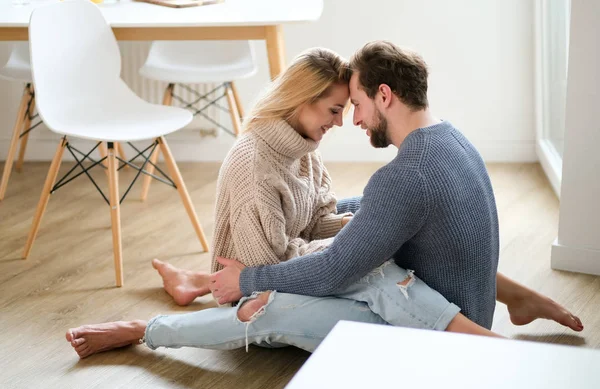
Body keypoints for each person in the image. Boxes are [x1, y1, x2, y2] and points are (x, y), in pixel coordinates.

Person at [66, 45, 582, 359]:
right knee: (372, 262)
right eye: (338, 109)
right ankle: (181, 299)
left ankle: (148, 327)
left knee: (315, 293)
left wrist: (247, 279)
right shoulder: (453, 140)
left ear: (384, 96)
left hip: (431, 326)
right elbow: (365, 223)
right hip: (449, 300)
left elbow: (329, 267)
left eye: (354, 106)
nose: (351, 122)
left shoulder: (399, 173)